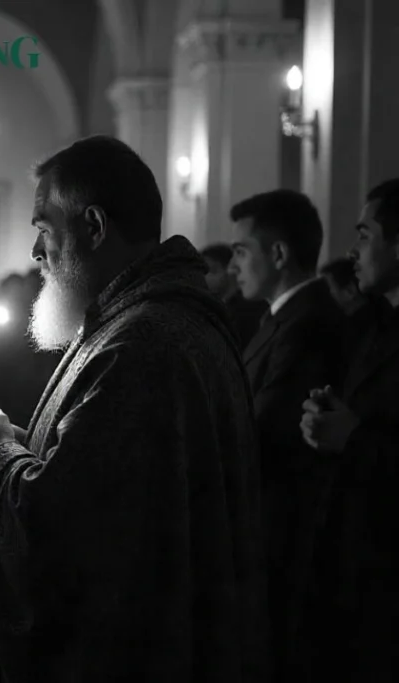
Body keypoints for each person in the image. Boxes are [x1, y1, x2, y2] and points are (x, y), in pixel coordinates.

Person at [0, 136, 267, 683]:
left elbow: (66, 530)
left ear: (93, 227)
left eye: (44, 228)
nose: (35, 252)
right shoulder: (145, 320)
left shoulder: (143, 345)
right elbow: (110, 475)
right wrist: (29, 446)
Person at [227, 190, 344, 680]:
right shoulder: (278, 319)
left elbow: (264, 426)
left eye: (241, 251)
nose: (233, 266)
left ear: (277, 254)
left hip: (283, 527)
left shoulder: (308, 324)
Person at [300, 179, 399, 683]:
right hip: (351, 562)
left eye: (364, 235)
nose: (351, 250)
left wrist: (353, 437)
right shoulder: (375, 324)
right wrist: (329, 416)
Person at [201, 242, 268, 348]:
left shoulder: (247, 308)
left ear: (230, 270)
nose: (204, 277)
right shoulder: (217, 307)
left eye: (212, 271)